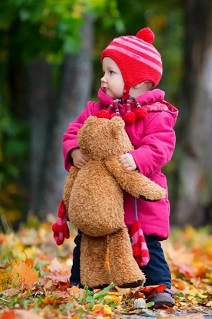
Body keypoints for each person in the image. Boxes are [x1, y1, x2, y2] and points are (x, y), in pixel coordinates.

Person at [61, 27, 178, 308]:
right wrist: (74, 150)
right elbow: (73, 131)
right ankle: (82, 284)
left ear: (138, 81)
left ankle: (159, 288)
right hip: (101, 200)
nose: (103, 79)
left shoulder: (156, 114)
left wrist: (138, 159)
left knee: (147, 246)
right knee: (87, 240)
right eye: (104, 71)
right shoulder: (96, 110)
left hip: (139, 202)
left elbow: (161, 145)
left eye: (112, 73)